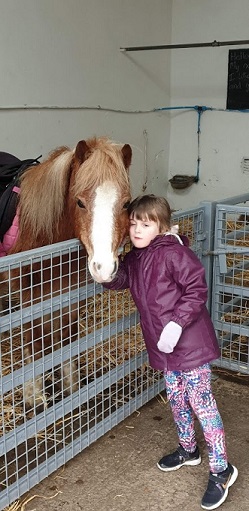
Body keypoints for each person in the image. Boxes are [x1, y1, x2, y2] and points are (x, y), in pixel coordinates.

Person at [103, 194, 238, 510]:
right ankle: (188, 449)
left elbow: (196, 290)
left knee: (202, 403)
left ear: (161, 226)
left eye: (145, 224)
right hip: (164, 348)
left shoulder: (175, 253)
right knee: (176, 399)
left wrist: (177, 324)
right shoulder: (136, 257)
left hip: (188, 344)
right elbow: (123, 279)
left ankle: (221, 470)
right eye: (133, 223)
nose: (137, 230)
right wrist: (106, 274)